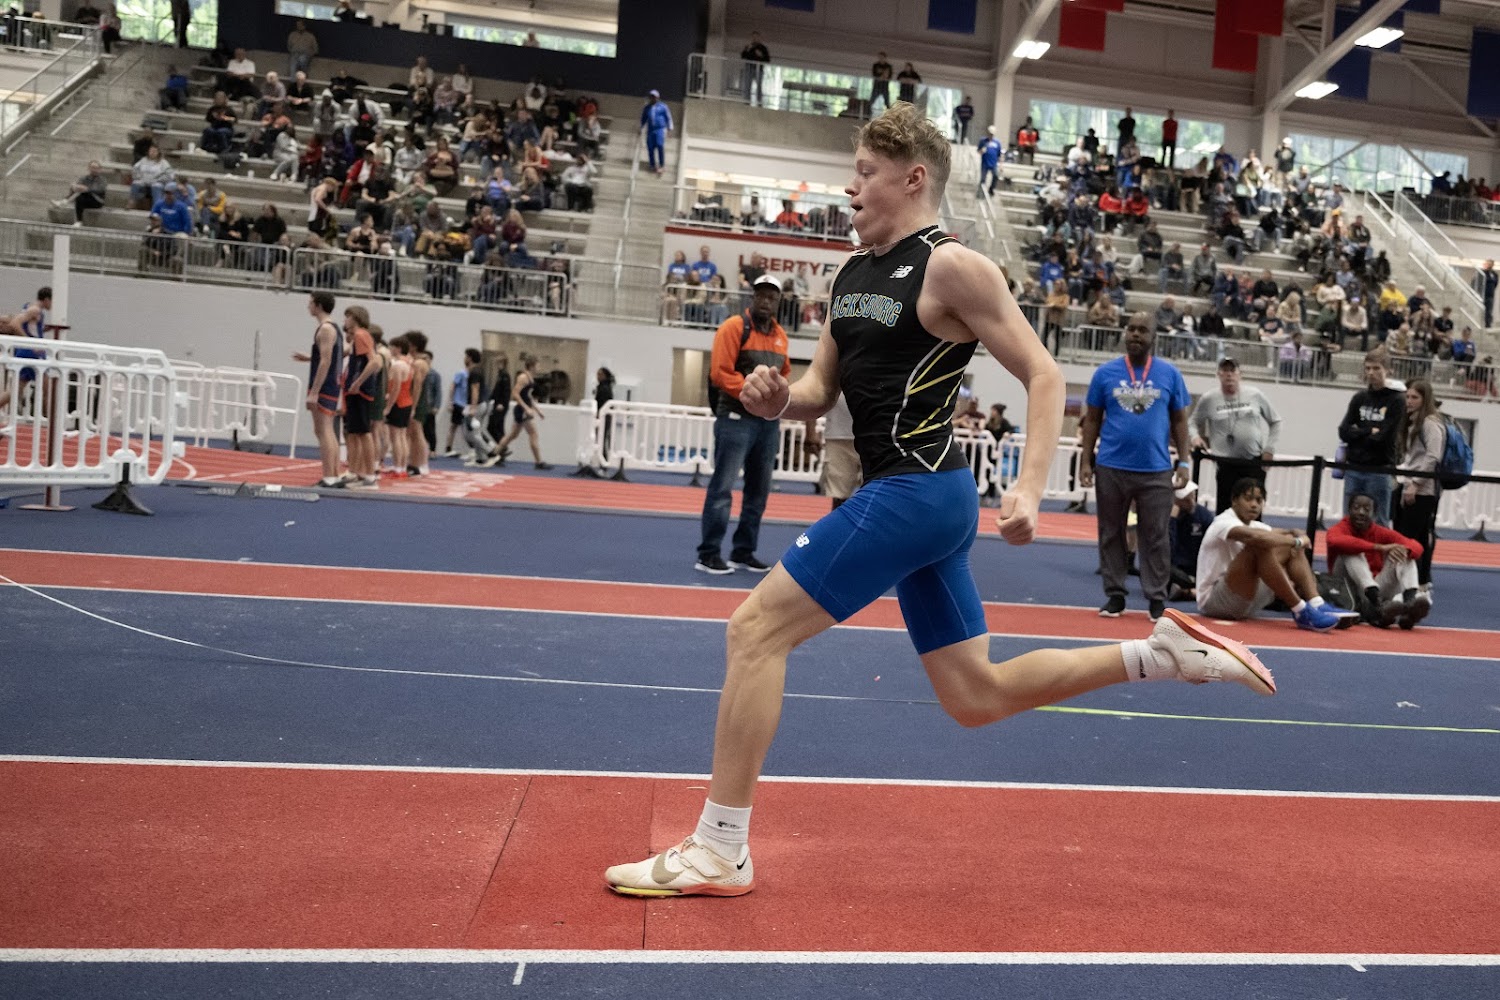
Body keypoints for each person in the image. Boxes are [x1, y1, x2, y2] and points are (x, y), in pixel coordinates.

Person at [605, 104, 1276, 899]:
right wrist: (775, 399)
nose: (850, 187)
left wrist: (1029, 488)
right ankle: (1159, 654)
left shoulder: (950, 266)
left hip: (917, 489)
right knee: (974, 695)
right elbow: (819, 391)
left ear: (912, 178)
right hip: (915, 496)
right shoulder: (849, 275)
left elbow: (1044, 374)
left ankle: (721, 848)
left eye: (865, 172)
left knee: (753, 632)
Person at [1078, 313, 1193, 621]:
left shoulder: (1170, 374)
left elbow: (1180, 421)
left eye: (1143, 330)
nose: (1136, 335)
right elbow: (1092, 420)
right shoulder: (1105, 373)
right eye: (1131, 329)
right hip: (1111, 466)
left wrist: (1184, 461)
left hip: (1156, 469)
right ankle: (1115, 595)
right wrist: (1086, 460)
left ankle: (1156, 598)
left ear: (1154, 337)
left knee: (1156, 535)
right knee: (1111, 532)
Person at [695, 273, 790, 575]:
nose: (765, 301)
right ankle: (709, 553)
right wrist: (755, 394)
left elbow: (784, 374)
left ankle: (744, 551)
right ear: (752, 298)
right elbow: (720, 373)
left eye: (771, 297)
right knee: (723, 487)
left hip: (766, 423)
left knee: (758, 490)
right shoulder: (733, 327)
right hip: (736, 419)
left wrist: (773, 398)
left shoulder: (780, 336)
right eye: (760, 295)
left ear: (778, 302)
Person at [1196, 478, 1353, 631]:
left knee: (1287, 547)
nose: (1254, 505)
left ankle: (1317, 603)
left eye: (1259, 500)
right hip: (1216, 602)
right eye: (1248, 499)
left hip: (1246, 598)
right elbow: (1257, 537)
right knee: (1260, 545)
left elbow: (1285, 533)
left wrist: (1297, 535)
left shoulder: (1256, 525)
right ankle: (1300, 610)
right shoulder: (1222, 522)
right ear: (1234, 500)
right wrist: (1298, 541)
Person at [1189, 357, 1281, 514]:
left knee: (1252, 509)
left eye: (1232, 370)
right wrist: (1195, 438)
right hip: (1225, 464)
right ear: (1218, 374)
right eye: (1225, 370)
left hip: (1253, 462)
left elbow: (1276, 421)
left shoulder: (1254, 394)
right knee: (1226, 510)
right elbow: (1192, 422)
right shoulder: (1209, 399)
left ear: (1240, 374)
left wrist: (1269, 449)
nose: (1229, 374)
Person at [1327, 493, 1429, 629]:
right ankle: (1378, 606)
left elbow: (1416, 546)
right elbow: (1334, 540)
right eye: (1356, 508)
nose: (1361, 512)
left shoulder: (1380, 531)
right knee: (1350, 549)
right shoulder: (1340, 528)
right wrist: (1378, 547)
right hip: (1349, 590)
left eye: (1366, 509)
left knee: (1403, 553)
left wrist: (1405, 550)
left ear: (1374, 515)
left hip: (1377, 592)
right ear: (1349, 510)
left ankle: (1409, 603)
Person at [1337, 349, 1405, 525]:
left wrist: (1357, 433)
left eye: (1376, 368)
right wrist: (1368, 431)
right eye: (1367, 368)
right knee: (1349, 520)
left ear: (1387, 370)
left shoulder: (1397, 400)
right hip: (1354, 467)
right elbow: (1343, 431)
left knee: (1379, 521)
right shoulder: (1359, 398)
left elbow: (1383, 438)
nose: (1371, 373)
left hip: (1379, 469)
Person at [1392, 377, 1443, 604]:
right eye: (1408, 397)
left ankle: (1408, 588)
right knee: (1418, 539)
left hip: (1422, 491)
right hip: (1409, 485)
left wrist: (1415, 483)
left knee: (1407, 540)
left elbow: (1433, 456)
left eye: (1415, 397)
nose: (1409, 401)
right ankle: (1420, 586)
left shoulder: (1430, 423)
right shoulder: (1413, 422)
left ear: (1425, 399)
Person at [340, 305, 381, 489]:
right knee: (354, 433)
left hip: (360, 390)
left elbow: (374, 362)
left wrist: (358, 382)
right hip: (354, 390)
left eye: (347, 317)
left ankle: (370, 476)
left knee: (364, 433)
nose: (345, 320)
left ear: (355, 318)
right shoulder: (358, 337)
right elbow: (343, 354)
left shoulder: (360, 335)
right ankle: (354, 471)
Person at [494, 357, 552, 470]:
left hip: (524, 409)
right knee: (533, 434)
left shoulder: (530, 378)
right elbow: (515, 394)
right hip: (522, 410)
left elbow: (528, 396)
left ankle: (494, 453)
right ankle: (538, 462)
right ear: (531, 366)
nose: (539, 368)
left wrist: (537, 410)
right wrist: (526, 408)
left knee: (513, 435)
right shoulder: (523, 377)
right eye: (537, 365)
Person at [1167, 480, 1214, 601]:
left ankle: (1189, 590)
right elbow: (1166, 550)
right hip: (1175, 567)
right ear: (1176, 501)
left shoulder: (1203, 515)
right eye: (1186, 500)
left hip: (1198, 566)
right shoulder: (1165, 516)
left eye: (1193, 497)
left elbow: (1213, 546)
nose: (1192, 502)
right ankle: (1194, 589)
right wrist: (1172, 521)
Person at [640, 90, 673, 176]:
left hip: (660, 129)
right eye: (651, 97)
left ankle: (662, 165)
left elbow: (668, 118)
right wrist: (641, 127)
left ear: (657, 97)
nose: (652, 98)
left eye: (654, 97)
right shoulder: (647, 107)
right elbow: (643, 118)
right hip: (650, 130)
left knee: (659, 145)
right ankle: (652, 165)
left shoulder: (663, 107)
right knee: (650, 147)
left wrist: (669, 129)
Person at [740, 31, 770, 106]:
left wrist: (761, 55)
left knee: (759, 86)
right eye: (753, 37)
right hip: (749, 68)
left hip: (758, 69)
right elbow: (743, 56)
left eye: (756, 37)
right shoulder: (748, 47)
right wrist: (746, 49)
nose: (754, 38)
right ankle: (747, 102)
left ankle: (759, 102)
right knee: (747, 85)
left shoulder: (763, 48)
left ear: (759, 38)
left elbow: (767, 60)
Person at [977, 126, 1001, 196]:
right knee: (983, 179)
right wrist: (982, 151)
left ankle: (991, 189)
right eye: (990, 134)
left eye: (992, 134)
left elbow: (999, 154)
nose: (991, 135)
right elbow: (978, 151)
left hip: (993, 163)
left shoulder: (997, 142)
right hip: (985, 163)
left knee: (996, 176)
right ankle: (980, 193)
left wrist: (1001, 165)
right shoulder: (983, 141)